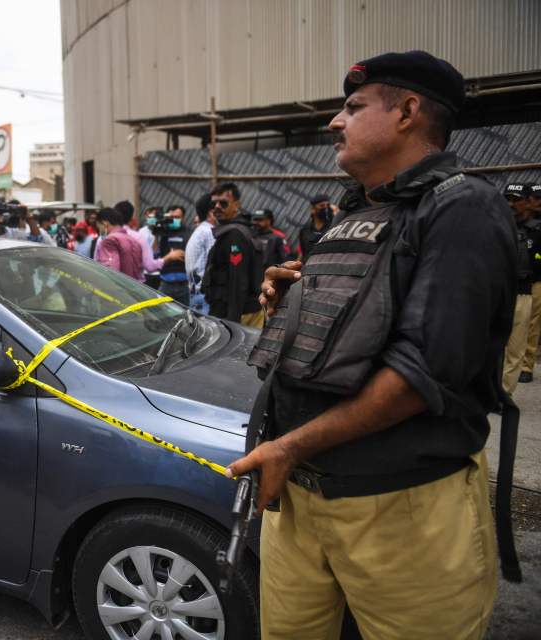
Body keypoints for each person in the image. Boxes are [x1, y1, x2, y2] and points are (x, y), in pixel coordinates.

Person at [229, 51, 516, 639]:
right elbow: (359, 320)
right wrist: (299, 298)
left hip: (401, 509)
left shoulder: (462, 207)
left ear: (408, 111)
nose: (336, 121)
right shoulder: (355, 210)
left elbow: (421, 374)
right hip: (298, 502)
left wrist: (287, 448)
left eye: (354, 107)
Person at [202, 182, 265, 327]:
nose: (217, 207)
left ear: (236, 205)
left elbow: (238, 280)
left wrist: (233, 323)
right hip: (233, 312)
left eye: (223, 203)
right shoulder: (231, 231)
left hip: (239, 315)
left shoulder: (235, 235)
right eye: (213, 204)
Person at [502, 182, 537, 394]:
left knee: (515, 348)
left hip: (523, 293)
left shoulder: (536, 230)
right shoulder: (498, 226)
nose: (511, 204)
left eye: (516, 200)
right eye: (508, 199)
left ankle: (505, 392)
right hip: (497, 292)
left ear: (527, 202)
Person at [115, 200, 183, 292]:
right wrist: (170, 257)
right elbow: (150, 265)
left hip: (114, 284)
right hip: (134, 285)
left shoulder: (106, 236)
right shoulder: (139, 236)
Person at [520, 182, 541, 383]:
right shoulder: (518, 221)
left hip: (537, 281)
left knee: (532, 325)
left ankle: (526, 365)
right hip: (517, 281)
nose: (538, 203)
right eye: (536, 199)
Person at [185, 193, 217, 315]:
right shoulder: (209, 232)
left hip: (196, 294)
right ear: (210, 212)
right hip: (204, 297)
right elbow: (213, 265)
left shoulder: (200, 230)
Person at [154, 205, 191, 305]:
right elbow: (155, 254)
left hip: (184, 285)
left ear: (183, 218)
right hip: (166, 283)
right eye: (172, 217)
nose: (174, 220)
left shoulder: (189, 233)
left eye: (177, 217)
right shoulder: (163, 232)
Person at [94, 207, 143, 280]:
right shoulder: (134, 240)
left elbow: (111, 272)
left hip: (118, 289)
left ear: (105, 224)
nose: (99, 231)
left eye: (99, 227)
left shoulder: (110, 241)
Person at [297, 193, 337, 261]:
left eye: (327, 205)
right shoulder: (305, 230)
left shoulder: (334, 227)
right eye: (322, 206)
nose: (326, 209)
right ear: (313, 209)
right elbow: (303, 252)